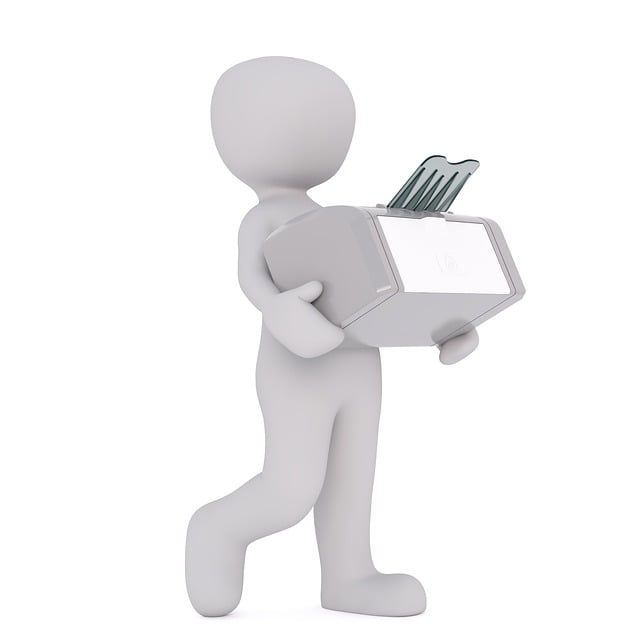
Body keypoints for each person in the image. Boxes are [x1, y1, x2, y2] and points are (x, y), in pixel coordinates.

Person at [185, 56, 479, 617]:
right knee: (292, 486)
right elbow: (252, 278)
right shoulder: (264, 218)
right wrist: (278, 309)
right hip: (297, 366)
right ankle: (218, 527)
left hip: (359, 364)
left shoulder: (340, 217)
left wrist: (445, 323)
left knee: (353, 477)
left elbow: (380, 285)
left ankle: (350, 577)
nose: (314, 131)